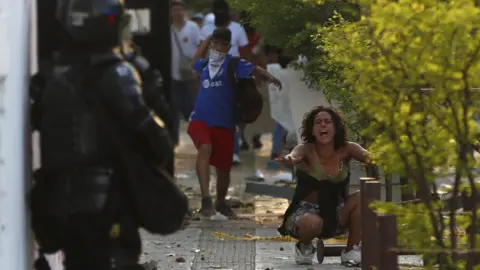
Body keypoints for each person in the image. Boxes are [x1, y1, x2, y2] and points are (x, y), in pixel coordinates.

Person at [29, 0, 173, 269]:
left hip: (54, 204)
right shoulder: (117, 73)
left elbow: (38, 121)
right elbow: (158, 142)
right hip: (107, 204)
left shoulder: (49, 75)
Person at [189, 28, 281, 217]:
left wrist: (271, 78)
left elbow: (255, 69)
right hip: (200, 120)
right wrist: (205, 42)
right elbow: (193, 63)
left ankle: (220, 202)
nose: (218, 47)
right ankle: (206, 199)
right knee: (204, 148)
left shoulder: (234, 63)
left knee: (223, 168)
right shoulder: (204, 64)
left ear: (228, 47)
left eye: (222, 44)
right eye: (215, 43)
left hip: (224, 123)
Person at [275, 106, 368, 266]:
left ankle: (351, 250)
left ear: (335, 128)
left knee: (363, 196)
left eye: (327, 122)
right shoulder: (306, 149)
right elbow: (295, 155)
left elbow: (370, 157)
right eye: (318, 122)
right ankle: (304, 246)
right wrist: (289, 159)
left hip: (336, 213)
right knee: (311, 223)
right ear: (312, 130)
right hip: (304, 216)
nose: (323, 125)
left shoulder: (348, 149)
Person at [171, 0, 201, 145]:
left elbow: (201, 48)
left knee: (193, 110)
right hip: (173, 76)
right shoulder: (168, 29)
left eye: (179, 10)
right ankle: (174, 140)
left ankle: (199, 139)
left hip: (190, 76)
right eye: (174, 10)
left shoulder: (193, 28)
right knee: (173, 110)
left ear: (184, 11)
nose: (177, 13)